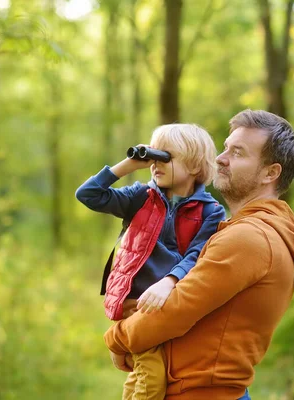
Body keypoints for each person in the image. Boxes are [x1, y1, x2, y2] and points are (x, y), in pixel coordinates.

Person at [104, 109, 294, 400]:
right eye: (225, 148)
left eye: (238, 153)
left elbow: (174, 311)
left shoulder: (250, 238)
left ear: (271, 173)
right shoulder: (252, 231)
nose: (220, 158)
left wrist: (117, 339)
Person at [75, 124, 226, 400]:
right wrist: (128, 165)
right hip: (138, 305)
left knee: (146, 376)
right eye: (151, 158)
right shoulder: (140, 197)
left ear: (193, 166)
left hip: (173, 304)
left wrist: (170, 281)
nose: (154, 164)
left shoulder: (211, 211)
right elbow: (88, 195)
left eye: (165, 157)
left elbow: (199, 254)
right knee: (153, 380)